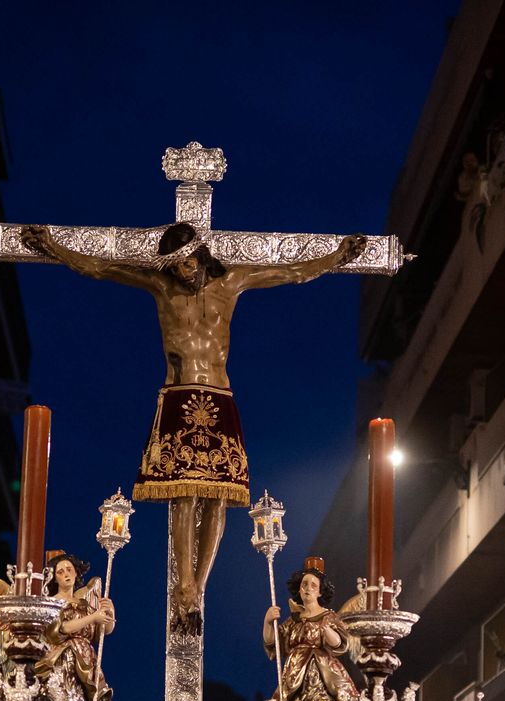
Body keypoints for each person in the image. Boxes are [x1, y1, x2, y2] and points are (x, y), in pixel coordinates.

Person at [21, 222, 364, 634]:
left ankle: (197, 589)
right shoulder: (162, 288)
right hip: (180, 395)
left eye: (186, 261)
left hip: (220, 398)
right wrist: (55, 248)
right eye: (175, 264)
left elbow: (290, 272)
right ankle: (183, 588)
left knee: (219, 499)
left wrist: (338, 257)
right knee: (184, 496)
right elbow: (100, 267)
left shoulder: (232, 282)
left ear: (200, 254)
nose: (182, 270)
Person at [261, 557, 358, 701]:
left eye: (313, 585)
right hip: (297, 680)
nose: (308, 589)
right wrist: (268, 622)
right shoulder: (293, 620)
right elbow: (274, 645)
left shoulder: (328, 616)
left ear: (320, 591)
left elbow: (340, 643)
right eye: (304, 584)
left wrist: (328, 631)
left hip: (323, 678)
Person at [34, 550, 115, 701]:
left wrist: (110, 612)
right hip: (61, 661)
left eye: (69, 569)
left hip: (84, 663)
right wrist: (93, 617)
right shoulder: (52, 603)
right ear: (54, 577)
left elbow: (102, 631)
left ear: (76, 573)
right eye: (60, 572)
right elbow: (63, 629)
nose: (66, 574)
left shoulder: (85, 605)